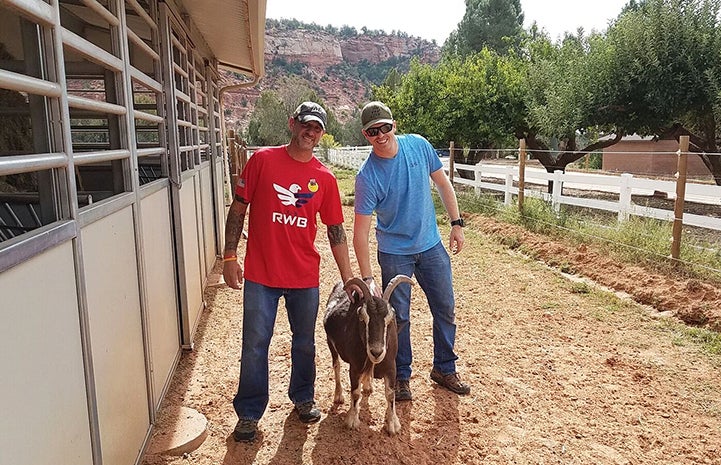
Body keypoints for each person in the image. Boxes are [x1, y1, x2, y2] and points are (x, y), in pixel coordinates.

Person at [222, 101, 357, 442]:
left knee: (305, 343)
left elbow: (335, 230)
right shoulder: (262, 161)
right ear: (292, 124)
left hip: (303, 277)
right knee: (255, 344)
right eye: (305, 125)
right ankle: (250, 413)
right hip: (261, 275)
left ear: (322, 134)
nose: (310, 132)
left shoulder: (324, 179)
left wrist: (348, 277)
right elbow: (238, 209)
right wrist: (229, 256)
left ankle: (303, 397)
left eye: (317, 128)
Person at [353, 101, 471, 402]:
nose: (380, 135)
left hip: (430, 245)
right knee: (399, 317)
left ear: (395, 125)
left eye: (385, 128)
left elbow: (443, 184)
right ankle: (401, 376)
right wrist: (368, 279)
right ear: (365, 135)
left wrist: (456, 223)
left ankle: (444, 368)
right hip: (395, 252)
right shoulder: (367, 177)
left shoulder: (418, 145)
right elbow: (361, 233)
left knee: (444, 307)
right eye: (372, 131)